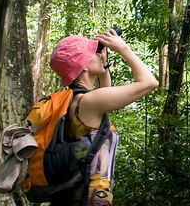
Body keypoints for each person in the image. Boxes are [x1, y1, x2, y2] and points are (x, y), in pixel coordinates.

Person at [46, 29, 159, 205]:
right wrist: (123, 49)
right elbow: (150, 82)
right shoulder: (90, 102)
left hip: (73, 198)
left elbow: (105, 94)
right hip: (89, 200)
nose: (98, 55)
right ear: (83, 66)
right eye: (93, 53)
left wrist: (103, 64)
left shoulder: (76, 100)